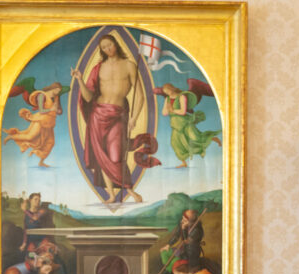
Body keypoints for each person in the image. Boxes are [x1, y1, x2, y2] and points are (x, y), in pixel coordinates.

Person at [71, 33, 145, 203]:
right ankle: (111, 194)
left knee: (115, 155)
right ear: (101, 50)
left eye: (109, 45)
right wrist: (80, 80)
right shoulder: (98, 68)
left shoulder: (129, 65)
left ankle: (130, 190)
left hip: (117, 115)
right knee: (101, 156)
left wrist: (134, 118)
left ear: (116, 44)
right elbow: (88, 97)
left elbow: (140, 95)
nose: (108, 49)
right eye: (104, 47)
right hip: (98, 114)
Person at [158, 80, 222, 167]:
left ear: (172, 88)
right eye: (165, 92)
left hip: (185, 122)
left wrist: (172, 110)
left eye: (168, 91)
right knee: (175, 143)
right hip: (175, 124)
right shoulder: (167, 99)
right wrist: (168, 110)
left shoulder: (181, 97)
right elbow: (164, 113)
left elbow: (183, 112)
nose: (167, 93)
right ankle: (184, 163)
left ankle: (213, 138)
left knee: (195, 138)